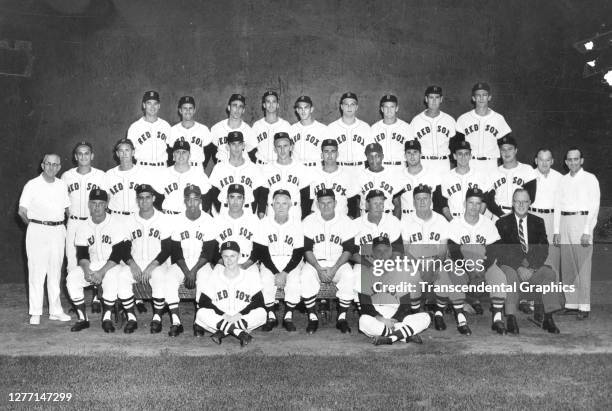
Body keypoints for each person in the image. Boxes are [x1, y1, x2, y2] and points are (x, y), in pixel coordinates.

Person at [65, 189, 136, 333]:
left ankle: (107, 318)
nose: (97, 207)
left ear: (106, 205)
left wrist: (101, 272)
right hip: (92, 264)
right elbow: (82, 254)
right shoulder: (83, 226)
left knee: (110, 278)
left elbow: (118, 253)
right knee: (72, 278)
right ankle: (83, 318)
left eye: (101, 203)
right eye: (94, 203)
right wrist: (86, 270)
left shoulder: (116, 223)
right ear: (89, 205)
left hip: (113, 264)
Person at [495, 188, 561, 334]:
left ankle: (548, 318)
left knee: (549, 273)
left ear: (530, 203)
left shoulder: (538, 222)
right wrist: (519, 267)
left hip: (532, 268)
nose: (521, 205)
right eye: (518, 201)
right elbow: (502, 251)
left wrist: (531, 267)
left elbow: (543, 249)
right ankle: (511, 317)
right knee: (510, 276)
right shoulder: (502, 223)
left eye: (524, 201)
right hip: (511, 266)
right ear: (512, 203)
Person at [18, 153, 71, 325]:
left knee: (55, 272)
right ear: (42, 165)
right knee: (36, 272)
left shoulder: (62, 185)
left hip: (58, 231)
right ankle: (35, 312)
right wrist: (34, 226)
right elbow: (22, 211)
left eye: (55, 164)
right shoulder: (32, 185)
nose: (51, 167)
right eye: (48, 164)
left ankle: (55, 311)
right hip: (37, 231)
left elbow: (67, 210)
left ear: (59, 167)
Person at [447, 188, 507, 335]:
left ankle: (497, 319)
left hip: (483, 265)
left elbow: (494, 251)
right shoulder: (455, 224)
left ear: (481, 205)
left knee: (498, 275)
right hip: (461, 265)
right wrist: (469, 269)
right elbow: (454, 253)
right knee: (454, 274)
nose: (474, 207)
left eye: (477, 203)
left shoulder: (488, 224)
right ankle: (460, 318)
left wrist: (483, 268)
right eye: (471, 203)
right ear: (464, 204)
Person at [400, 184, 457, 332]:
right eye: (418, 199)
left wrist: (432, 267)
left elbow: (443, 251)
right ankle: (415, 312)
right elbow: (406, 251)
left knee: (443, 275)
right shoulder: (405, 221)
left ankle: (439, 313)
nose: (422, 202)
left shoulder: (441, 220)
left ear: (430, 200)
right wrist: (421, 267)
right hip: (414, 261)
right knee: (410, 275)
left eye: (425, 198)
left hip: (435, 260)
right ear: (413, 202)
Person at [301, 189, 359, 334]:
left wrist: (334, 269)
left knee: (349, 275)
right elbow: (307, 249)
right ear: (317, 204)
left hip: (338, 262)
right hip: (315, 263)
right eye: (322, 203)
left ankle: (341, 317)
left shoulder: (345, 220)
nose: (326, 206)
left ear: (335, 203)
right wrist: (319, 268)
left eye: (329, 202)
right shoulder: (309, 220)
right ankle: (312, 317)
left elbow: (348, 249)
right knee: (305, 276)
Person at [357, 236, 431, 345]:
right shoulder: (364, 272)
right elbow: (365, 304)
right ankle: (403, 335)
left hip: (395, 313)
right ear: (373, 252)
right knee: (363, 320)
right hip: (377, 316)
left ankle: (389, 338)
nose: (382, 254)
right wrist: (381, 319)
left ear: (391, 251)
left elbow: (405, 305)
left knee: (426, 317)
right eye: (378, 250)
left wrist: (394, 320)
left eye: (386, 250)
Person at [125, 184, 178, 336]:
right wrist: (132, 264)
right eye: (141, 198)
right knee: (122, 276)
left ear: (154, 198)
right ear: (137, 200)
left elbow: (167, 249)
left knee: (160, 277)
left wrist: (151, 267)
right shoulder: (130, 220)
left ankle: (157, 317)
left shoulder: (163, 219)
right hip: (136, 262)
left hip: (158, 262)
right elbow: (124, 247)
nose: (144, 201)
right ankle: (131, 317)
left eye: (148, 197)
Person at [553, 147, 600, 319]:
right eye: (569, 159)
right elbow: (558, 205)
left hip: (582, 222)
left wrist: (587, 230)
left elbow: (594, 206)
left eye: (576, 159)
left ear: (581, 160)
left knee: (583, 267)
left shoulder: (590, 179)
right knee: (568, 266)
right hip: (565, 221)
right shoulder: (563, 180)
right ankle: (571, 304)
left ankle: (584, 305)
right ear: (566, 162)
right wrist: (557, 230)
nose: (573, 162)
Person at [61, 141, 106, 313]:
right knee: (72, 260)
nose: (83, 157)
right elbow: (64, 202)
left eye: (86, 153)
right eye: (80, 153)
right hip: (74, 221)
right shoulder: (67, 176)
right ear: (75, 157)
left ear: (92, 156)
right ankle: (77, 301)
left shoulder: (100, 175)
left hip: (92, 221)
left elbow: (104, 199)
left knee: (95, 257)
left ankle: (96, 296)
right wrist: (71, 216)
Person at [194, 241, 266, 347]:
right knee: (201, 313)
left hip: (241, 317)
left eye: (233, 256)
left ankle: (223, 332)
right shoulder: (215, 276)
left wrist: (240, 314)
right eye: (225, 256)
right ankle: (239, 333)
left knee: (262, 313)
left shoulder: (249, 276)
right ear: (221, 257)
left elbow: (259, 301)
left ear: (239, 256)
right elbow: (203, 301)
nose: (229, 260)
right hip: (222, 317)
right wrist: (222, 314)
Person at [252, 190, 304, 331]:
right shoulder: (264, 223)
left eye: (284, 203)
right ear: (272, 205)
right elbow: (261, 251)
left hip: (291, 261)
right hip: (269, 261)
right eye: (278, 203)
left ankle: (288, 316)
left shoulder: (297, 224)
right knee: (264, 280)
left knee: (294, 281)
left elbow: (298, 252)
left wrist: (285, 272)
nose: (281, 207)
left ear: (290, 205)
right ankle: (271, 316)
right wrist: (276, 272)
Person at [169, 185, 218, 337]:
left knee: (206, 281)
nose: (192, 203)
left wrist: (194, 271)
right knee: (168, 279)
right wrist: (187, 272)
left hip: (201, 263)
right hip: (182, 263)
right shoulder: (177, 220)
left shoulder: (208, 220)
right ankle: (176, 321)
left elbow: (209, 251)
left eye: (195, 199)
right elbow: (175, 250)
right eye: (189, 200)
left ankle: (199, 322)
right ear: (184, 201)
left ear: (200, 201)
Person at [455, 82, 512, 174]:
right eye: (478, 95)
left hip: (491, 163)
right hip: (470, 163)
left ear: (489, 97)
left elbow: (506, 146)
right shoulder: (463, 119)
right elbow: (457, 145)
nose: (481, 98)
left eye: (484, 95)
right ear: (473, 98)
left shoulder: (498, 118)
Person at [206, 131, 266, 216]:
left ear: (243, 146)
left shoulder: (253, 168)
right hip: (225, 210)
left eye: (239, 144)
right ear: (227, 146)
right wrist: (220, 208)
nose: (237, 147)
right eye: (233, 144)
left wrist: (256, 210)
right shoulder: (219, 168)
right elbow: (212, 190)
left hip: (247, 211)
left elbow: (261, 190)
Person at [260, 132, 311, 221]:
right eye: (279, 147)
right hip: (273, 212)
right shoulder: (266, 169)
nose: (282, 150)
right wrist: (261, 213)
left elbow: (306, 197)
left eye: (285, 146)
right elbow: (263, 195)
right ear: (275, 149)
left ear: (291, 147)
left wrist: (304, 217)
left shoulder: (301, 168)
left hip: (294, 212)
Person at [213, 184, 260, 275]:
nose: (235, 201)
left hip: (247, 263)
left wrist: (245, 265)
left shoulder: (253, 219)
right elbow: (213, 247)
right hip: (224, 263)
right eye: (232, 197)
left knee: (255, 288)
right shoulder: (218, 220)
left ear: (244, 200)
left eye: (239, 198)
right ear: (227, 199)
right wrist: (223, 263)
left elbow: (258, 247)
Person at [440, 140, 493, 221]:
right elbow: (443, 203)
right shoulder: (446, 177)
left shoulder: (480, 176)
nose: (463, 157)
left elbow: (484, 201)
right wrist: (452, 221)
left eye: (466, 154)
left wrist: (476, 219)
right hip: (454, 218)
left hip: (475, 218)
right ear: (454, 156)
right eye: (460, 154)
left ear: (470, 156)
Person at [410, 85, 456, 176]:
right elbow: (410, 146)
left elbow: (455, 146)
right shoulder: (416, 121)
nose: (434, 101)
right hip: (424, 163)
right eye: (431, 97)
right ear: (426, 99)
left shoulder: (449, 120)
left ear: (441, 99)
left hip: (443, 164)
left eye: (437, 97)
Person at [157, 140, 211, 216]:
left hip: (191, 217)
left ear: (189, 155)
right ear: (173, 155)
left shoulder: (198, 174)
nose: (181, 155)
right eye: (178, 152)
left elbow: (207, 198)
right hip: (169, 217)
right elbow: (156, 197)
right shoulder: (164, 173)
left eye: (184, 152)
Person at [530, 148, 562, 276]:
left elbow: (562, 205)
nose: (544, 163)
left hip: (552, 218)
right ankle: (531, 294)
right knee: (532, 256)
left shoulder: (559, 178)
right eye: (541, 160)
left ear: (552, 161)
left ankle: (552, 292)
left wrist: (557, 230)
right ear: (536, 160)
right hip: (532, 217)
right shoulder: (528, 175)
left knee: (553, 256)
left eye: (547, 160)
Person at [308, 139, 358, 217]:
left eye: (333, 151)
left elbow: (352, 200)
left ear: (337, 154)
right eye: (326, 151)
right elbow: (309, 200)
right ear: (322, 155)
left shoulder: (347, 175)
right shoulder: (313, 174)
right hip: (317, 218)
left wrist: (351, 216)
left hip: (341, 218)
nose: (330, 154)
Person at [489, 135, 537, 217]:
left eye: (510, 149)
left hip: (520, 213)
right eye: (503, 149)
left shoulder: (527, 170)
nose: (506, 152)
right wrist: (501, 215)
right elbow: (489, 200)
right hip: (498, 215)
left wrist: (515, 213)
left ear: (516, 150)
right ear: (500, 152)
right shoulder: (493, 172)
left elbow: (530, 197)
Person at [394, 139, 443, 218]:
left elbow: (439, 202)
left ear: (421, 154)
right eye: (409, 153)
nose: (412, 156)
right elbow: (396, 205)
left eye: (415, 152)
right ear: (405, 156)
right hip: (406, 218)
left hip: (427, 217)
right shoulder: (398, 176)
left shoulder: (432, 174)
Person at [126, 90, 171, 168]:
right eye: (149, 103)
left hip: (162, 169)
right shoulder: (135, 127)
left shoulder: (166, 126)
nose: (152, 107)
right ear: (144, 105)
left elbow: (174, 150)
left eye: (155, 103)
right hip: (142, 168)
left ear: (159, 106)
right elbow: (128, 153)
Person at [327, 92, 371, 167]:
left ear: (356, 107)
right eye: (346, 104)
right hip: (339, 168)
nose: (349, 107)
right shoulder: (332, 127)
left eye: (352, 104)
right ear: (341, 106)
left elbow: (370, 153)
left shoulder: (365, 127)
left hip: (360, 169)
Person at [370, 94, 412, 173]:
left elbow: (411, 152)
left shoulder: (406, 127)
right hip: (380, 168)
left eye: (392, 107)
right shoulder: (374, 128)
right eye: (386, 107)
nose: (389, 110)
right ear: (382, 109)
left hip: (400, 169)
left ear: (397, 108)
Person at [356, 142, 402, 215]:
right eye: (370, 156)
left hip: (387, 217)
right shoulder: (360, 176)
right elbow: (357, 205)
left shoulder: (392, 176)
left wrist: (396, 225)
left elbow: (398, 206)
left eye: (377, 156)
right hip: (365, 217)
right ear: (366, 157)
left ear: (382, 156)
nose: (373, 160)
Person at [209, 93, 256, 164]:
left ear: (243, 110)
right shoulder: (216, 128)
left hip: (241, 170)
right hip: (222, 168)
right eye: (234, 105)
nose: (237, 109)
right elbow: (211, 151)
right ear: (229, 107)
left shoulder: (249, 131)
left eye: (240, 106)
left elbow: (253, 156)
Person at [168, 96, 212, 170]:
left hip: (197, 168)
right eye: (185, 108)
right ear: (180, 110)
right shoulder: (173, 130)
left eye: (190, 108)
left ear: (194, 110)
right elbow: (170, 153)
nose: (188, 111)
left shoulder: (203, 129)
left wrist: (202, 165)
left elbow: (208, 151)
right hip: (179, 168)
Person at [251, 91, 291, 164]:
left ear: (277, 105)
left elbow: (292, 149)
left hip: (279, 166)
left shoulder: (286, 125)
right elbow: (249, 149)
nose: (271, 104)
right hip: (261, 166)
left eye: (274, 102)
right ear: (264, 105)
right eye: (268, 102)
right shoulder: (256, 126)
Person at [289, 95, 329, 167]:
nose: (303, 111)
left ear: (311, 109)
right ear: (297, 110)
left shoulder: (323, 129)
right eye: (300, 108)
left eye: (306, 108)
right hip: (296, 168)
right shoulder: (291, 129)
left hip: (315, 168)